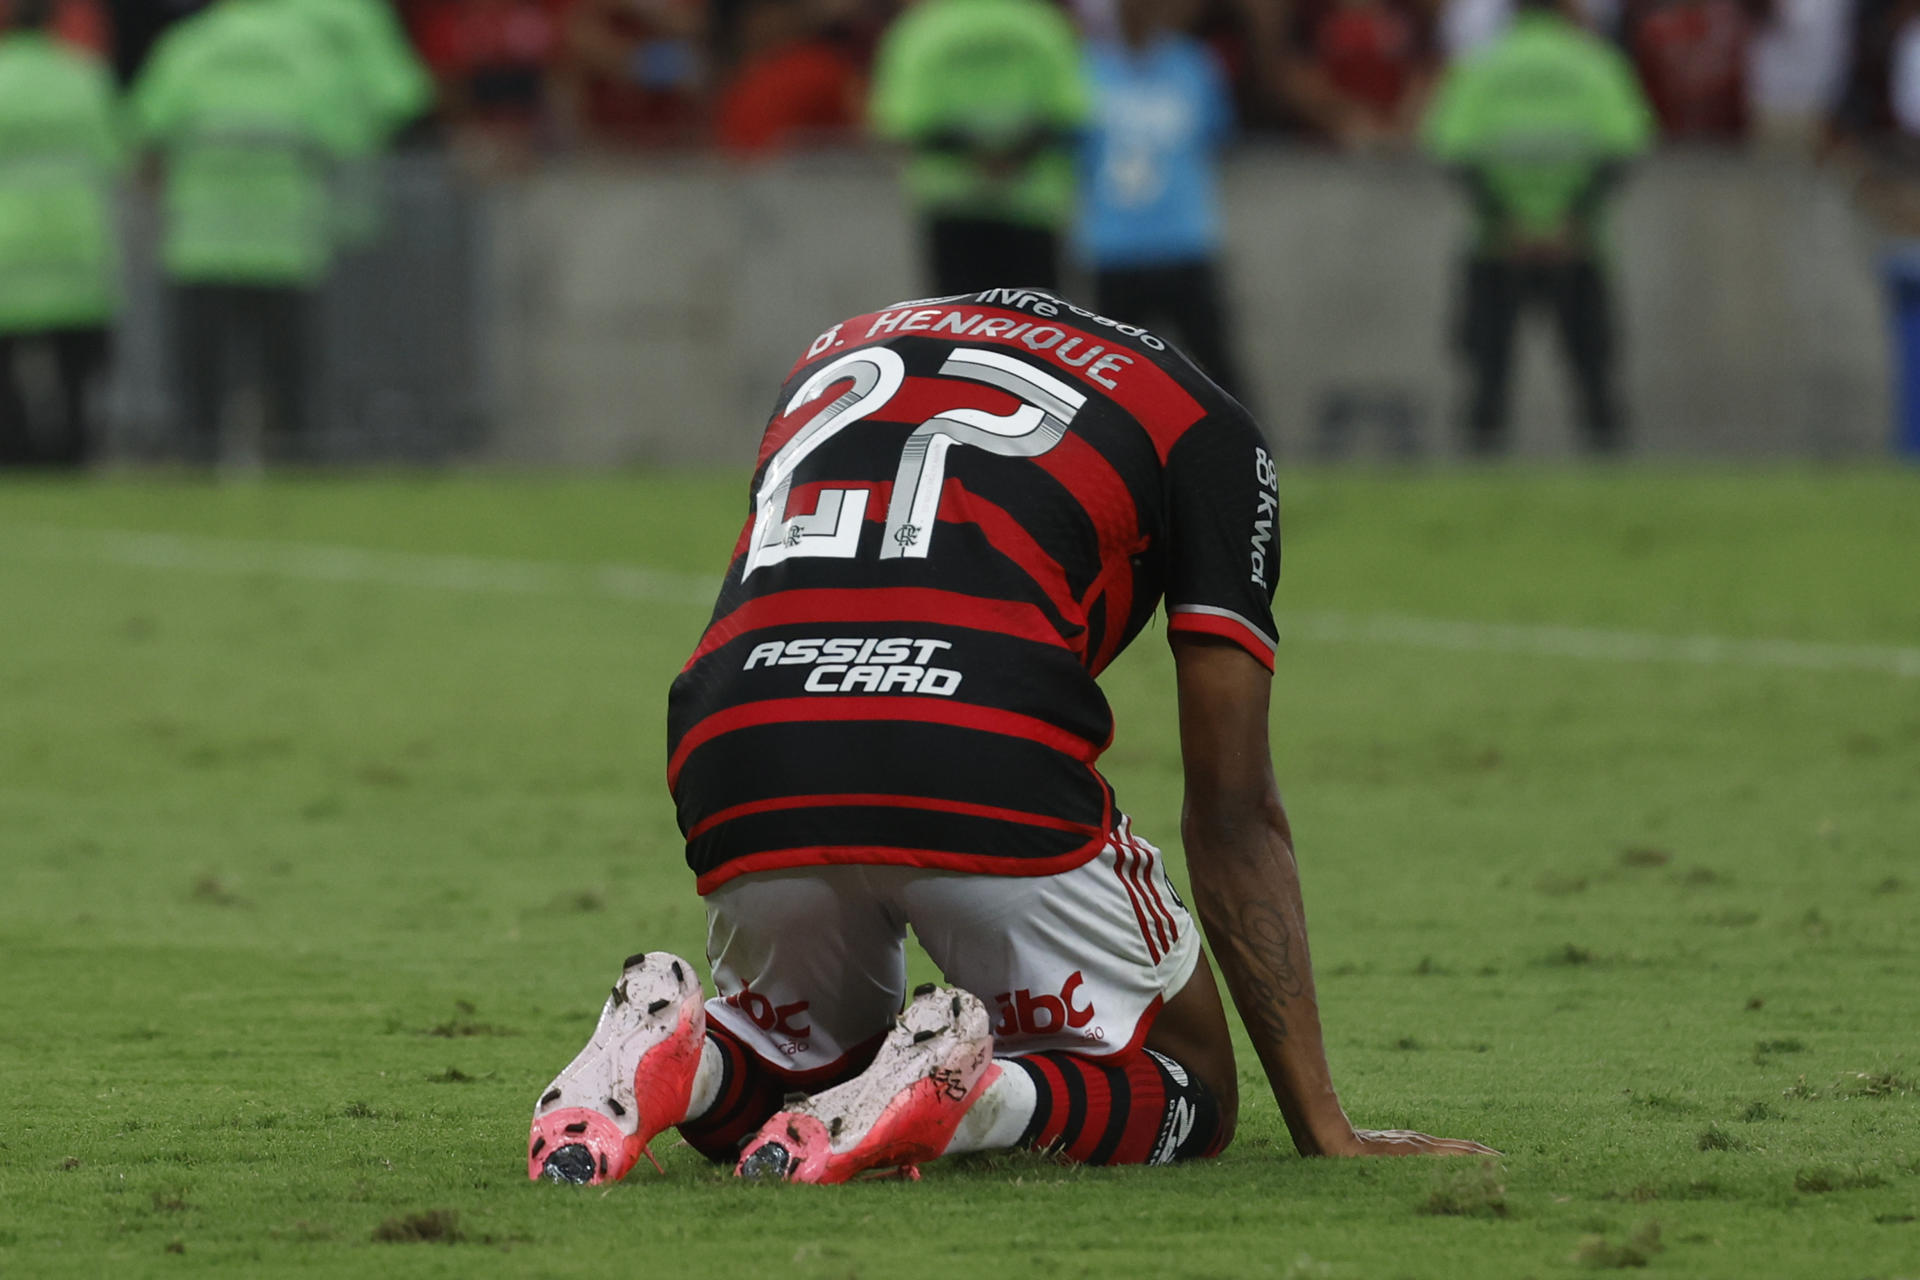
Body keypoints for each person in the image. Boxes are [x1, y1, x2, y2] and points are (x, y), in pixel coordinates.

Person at [525, 287, 1499, 1185]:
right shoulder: (1207, 428)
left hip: (742, 731)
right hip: (972, 733)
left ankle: (684, 1064)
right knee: (1189, 1079)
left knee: (804, 1065)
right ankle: (976, 1095)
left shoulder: (837, 345)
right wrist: (1325, 1121)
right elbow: (1233, 809)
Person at [128, 0, 357, 464]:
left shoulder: (187, 46)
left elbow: (145, 132)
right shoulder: (308, 50)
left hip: (202, 240)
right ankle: (296, 461)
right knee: (289, 376)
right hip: (284, 241)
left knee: (201, 378)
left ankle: (198, 461)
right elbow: (345, 137)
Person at [1422, 0, 1654, 455]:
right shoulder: (1595, 62)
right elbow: (1624, 146)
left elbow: (1452, 149)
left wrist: (1509, 220)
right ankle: (1616, 503)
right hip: (1580, 245)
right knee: (1596, 389)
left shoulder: (1482, 64)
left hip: (1496, 245)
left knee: (1486, 391)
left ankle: (1476, 504)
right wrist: (1570, 220)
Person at [1078, 0, 1249, 402]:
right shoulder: (1086, 68)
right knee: (1110, 374)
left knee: (1212, 363)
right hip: (1114, 243)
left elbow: (1219, 138)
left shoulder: (1192, 64)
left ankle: (1240, 455)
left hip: (1183, 238)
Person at [868, 0, 1091, 294]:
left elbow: (900, 121)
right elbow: (1072, 112)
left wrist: (973, 157)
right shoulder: (1042, 24)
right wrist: (1012, 157)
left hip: (952, 202)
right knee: (1034, 327)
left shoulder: (922, 29)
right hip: (1032, 201)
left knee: (958, 326)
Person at [0, 0, 123, 468]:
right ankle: (72, 450)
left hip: (8, 244)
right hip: (75, 241)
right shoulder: (85, 79)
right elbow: (115, 152)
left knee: (6, 365)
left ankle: (14, 451)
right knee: (76, 362)